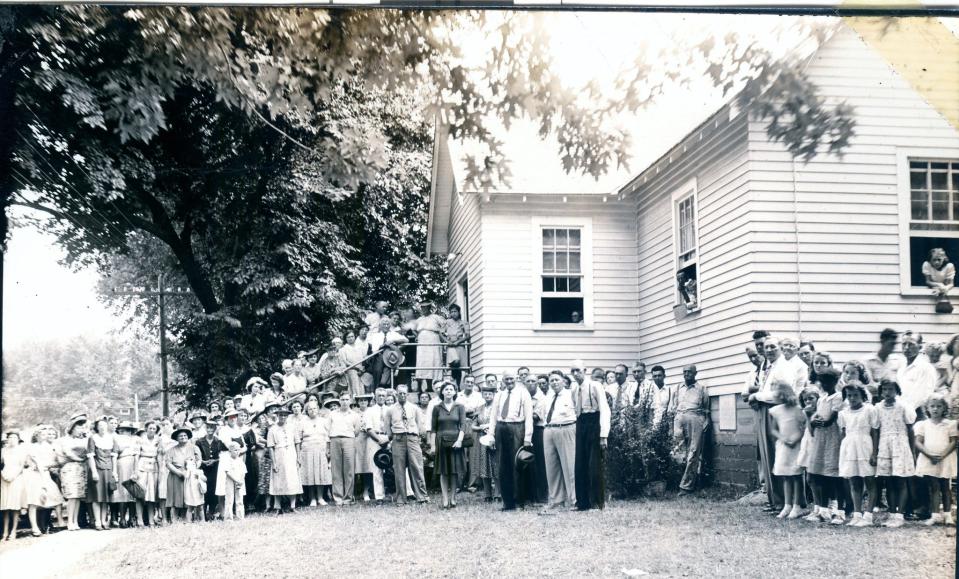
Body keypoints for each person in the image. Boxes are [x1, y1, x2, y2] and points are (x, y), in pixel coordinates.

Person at [803, 368, 844, 524]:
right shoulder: (821, 399)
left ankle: (838, 511)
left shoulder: (838, 398)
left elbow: (829, 420)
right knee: (816, 473)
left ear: (835, 381)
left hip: (833, 439)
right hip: (820, 440)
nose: (825, 385)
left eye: (828, 381)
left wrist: (819, 421)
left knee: (834, 476)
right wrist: (814, 421)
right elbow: (816, 420)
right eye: (822, 382)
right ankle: (822, 510)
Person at [488, 371, 534, 511]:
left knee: (516, 466)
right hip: (501, 428)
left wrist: (527, 437)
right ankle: (507, 502)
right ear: (502, 380)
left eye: (511, 379)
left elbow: (529, 416)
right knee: (503, 467)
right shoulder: (499, 395)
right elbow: (493, 416)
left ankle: (519, 501)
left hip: (517, 428)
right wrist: (491, 435)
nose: (509, 381)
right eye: (506, 379)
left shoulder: (523, 393)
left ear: (516, 379)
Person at [837, 381, 880, 527]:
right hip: (850, 448)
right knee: (854, 481)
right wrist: (844, 453)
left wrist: (874, 453)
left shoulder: (869, 410)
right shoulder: (843, 413)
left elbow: (874, 431)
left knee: (869, 480)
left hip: (865, 447)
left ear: (863, 395)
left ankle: (868, 516)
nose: (852, 398)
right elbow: (843, 433)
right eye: (849, 396)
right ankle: (857, 514)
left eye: (856, 395)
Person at [875, 380, 917, 528]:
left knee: (901, 480)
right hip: (884, 445)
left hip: (900, 444)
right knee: (889, 481)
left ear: (897, 390)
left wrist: (912, 451)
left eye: (891, 389)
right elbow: (876, 430)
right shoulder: (878, 408)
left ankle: (900, 515)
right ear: (881, 391)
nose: (887, 392)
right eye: (884, 389)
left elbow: (910, 430)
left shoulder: (903, 406)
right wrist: (875, 452)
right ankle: (892, 513)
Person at [570, 360, 610, 510]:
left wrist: (603, 435)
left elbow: (605, 410)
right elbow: (575, 410)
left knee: (594, 465)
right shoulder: (574, 389)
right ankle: (583, 503)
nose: (575, 374)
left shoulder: (595, 386)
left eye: (578, 370)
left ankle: (597, 503)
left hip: (594, 422)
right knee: (580, 463)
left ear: (585, 370)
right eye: (572, 371)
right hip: (581, 423)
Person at [914, 394, 957, 526]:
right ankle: (935, 514)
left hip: (945, 458)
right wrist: (930, 455)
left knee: (945, 486)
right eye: (932, 406)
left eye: (939, 406)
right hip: (929, 458)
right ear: (927, 408)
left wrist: (943, 455)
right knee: (933, 486)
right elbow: (918, 442)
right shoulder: (923, 424)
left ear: (945, 408)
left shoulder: (950, 424)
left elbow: (953, 442)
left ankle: (948, 515)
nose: (935, 409)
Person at [383, 384, 429, 504]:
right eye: (400, 393)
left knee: (417, 467)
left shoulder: (414, 408)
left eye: (404, 393)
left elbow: (420, 425)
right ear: (396, 394)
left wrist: (417, 437)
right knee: (399, 469)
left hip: (412, 438)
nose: (402, 395)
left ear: (407, 394)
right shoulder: (390, 410)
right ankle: (401, 498)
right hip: (398, 439)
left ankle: (422, 496)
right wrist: (392, 438)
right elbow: (387, 427)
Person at [768, 380, 806, 519]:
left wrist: (795, 439)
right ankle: (787, 505)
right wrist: (783, 439)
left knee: (796, 475)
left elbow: (803, 426)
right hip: (783, 446)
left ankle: (797, 506)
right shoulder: (776, 410)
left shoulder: (798, 409)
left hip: (796, 445)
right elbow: (773, 429)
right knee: (786, 476)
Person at [541, 370, 577, 512]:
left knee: (570, 467)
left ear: (563, 381)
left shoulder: (571, 394)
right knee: (552, 468)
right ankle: (556, 500)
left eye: (557, 380)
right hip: (549, 430)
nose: (554, 383)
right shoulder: (548, 397)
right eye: (552, 380)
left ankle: (574, 500)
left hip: (566, 428)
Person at [672, 365, 710, 495]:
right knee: (678, 450)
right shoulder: (678, 387)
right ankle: (676, 482)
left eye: (689, 372)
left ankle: (686, 487)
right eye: (684, 372)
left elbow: (706, 408)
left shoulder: (701, 388)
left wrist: (705, 421)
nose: (686, 374)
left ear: (695, 373)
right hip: (679, 418)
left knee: (693, 452)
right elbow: (673, 405)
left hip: (695, 417)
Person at [431, 382, 467, 508]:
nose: (448, 391)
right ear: (442, 392)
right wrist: (433, 445)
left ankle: (453, 498)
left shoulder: (460, 407)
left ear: (455, 392)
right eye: (446, 389)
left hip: (455, 441)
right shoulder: (436, 408)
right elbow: (433, 429)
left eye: (451, 389)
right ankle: (445, 499)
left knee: (454, 471)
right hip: (441, 441)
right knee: (444, 471)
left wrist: (459, 440)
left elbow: (463, 425)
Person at [22, 427, 64, 536]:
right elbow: (31, 462)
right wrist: (36, 466)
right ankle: (35, 528)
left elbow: (55, 461)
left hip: (45, 474)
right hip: (34, 475)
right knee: (34, 501)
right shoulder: (31, 447)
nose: (44, 437)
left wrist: (47, 466)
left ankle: (60, 521)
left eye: (46, 435)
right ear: (36, 435)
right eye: (42, 434)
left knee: (56, 497)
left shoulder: (48, 447)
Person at [57, 414, 89, 531]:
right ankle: (70, 521)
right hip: (69, 468)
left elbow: (87, 451)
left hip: (80, 469)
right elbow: (68, 453)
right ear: (72, 428)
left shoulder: (82, 440)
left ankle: (75, 521)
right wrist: (80, 459)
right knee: (71, 496)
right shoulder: (64, 440)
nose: (80, 430)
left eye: (82, 428)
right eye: (78, 428)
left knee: (78, 496)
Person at [268, 408, 303, 513]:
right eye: (281, 415)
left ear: (287, 416)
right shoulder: (272, 429)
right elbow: (270, 447)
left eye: (285, 415)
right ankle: (278, 507)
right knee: (278, 480)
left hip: (291, 454)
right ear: (277, 416)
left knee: (293, 479)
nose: (283, 417)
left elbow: (297, 442)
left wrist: (298, 457)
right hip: (279, 455)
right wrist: (274, 462)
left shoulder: (292, 427)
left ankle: (293, 506)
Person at [86, 418, 118, 530]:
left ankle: (104, 521)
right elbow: (90, 456)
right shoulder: (93, 438)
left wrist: (114, 472)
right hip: (97, 470)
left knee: (105, 498)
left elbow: (114, 457)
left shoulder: (111, 439)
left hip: (108, 470)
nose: (102, 427)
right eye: (100, 425)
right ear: (97, 427)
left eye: (104, 425)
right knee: (96, 497)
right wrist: (94, 472)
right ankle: (97, 522)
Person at [328, 394, 360, 505]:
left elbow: (357, 430)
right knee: (336, 470)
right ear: (339, 401)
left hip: (349, 440)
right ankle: (338, 498)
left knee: (349, 469)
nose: (345, 402)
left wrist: (348, 437)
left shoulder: (355, 415)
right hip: (335, 440)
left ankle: (348, 498)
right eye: (342, 400)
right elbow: (328, 429)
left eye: (347, 399)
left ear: (350, 400)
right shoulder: (332, 414)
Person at [165, 426, 201, 522]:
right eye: (180, 436)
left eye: (185, 435)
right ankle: (175, 519)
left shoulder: (194, 448)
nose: (183, 437)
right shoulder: (171, 450)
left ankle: (187, 519)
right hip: (176, 475)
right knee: (176, 497)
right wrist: (179, 473)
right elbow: (168, 463)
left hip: (190, 476)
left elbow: (199, 460)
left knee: (188, 496)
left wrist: (193, 469)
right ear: (176, 438)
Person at [361, 390, 389, 502]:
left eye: (383, 395)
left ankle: (404, 493)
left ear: (386, 397)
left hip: (388, 438)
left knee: (395, 465)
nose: (381, 397)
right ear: (375, 397)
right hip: (374, 438)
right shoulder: (369, 411)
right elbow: (368, 429)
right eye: (379, 396)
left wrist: (387, 439)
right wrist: (379, 440)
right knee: (377, 467)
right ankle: (379, 496)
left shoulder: (390, 409)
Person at [195, 419, 226, 520]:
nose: (210, 430)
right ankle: (202, 513)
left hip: (215, 469)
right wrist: (203, 461)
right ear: (205, 428)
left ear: (215, 429)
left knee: (213, 490)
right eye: (208, 427)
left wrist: (215, 460)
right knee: (203, 489)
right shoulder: (199, 441)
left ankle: (212, 512)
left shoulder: (218, 441)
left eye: (212, 428)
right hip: (203, 469)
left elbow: (223, 455)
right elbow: (196, 455)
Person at [473, 384, 499, 502]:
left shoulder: (498, 407)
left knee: (496, 465)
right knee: (484, 466)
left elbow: (501, 422)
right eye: (485, 394)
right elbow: (473, 426)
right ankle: (487, 494)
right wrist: (481, 428)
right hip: (482, 439)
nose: (488, 396)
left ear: (494, 395)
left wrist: (490, 427)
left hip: (494, 438)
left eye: (490, 394)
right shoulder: (479, 408)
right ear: (482, 395)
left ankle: (498, 494)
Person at [134, 421, 161, 527]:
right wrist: (135, 470)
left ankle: (151, 520)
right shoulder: (140, 440)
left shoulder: (158, 440)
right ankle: (140, 520)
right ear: (146, 429)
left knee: (152, 495)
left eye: (154, 429)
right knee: (140, 494)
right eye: (150, 428)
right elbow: (136, 456)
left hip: (153, 467)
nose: (152, 430)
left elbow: (160, 455)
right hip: (142, 467)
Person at [368, 318, 409, 388]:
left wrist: (393, 341)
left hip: (391, 356)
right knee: (378, 369)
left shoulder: (393, 334)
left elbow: (406, 340)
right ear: (380, 326)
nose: (386, 326)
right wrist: (384, 345)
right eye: (384, 324)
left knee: (402, 360)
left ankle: (399, 387)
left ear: (390, 326)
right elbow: (375, 350)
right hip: (379, 355)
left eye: (387, 324)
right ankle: (376, 388)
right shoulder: (375, 336)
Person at [415, 301, 445, 393]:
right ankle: (419, 386)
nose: (424, 309)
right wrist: (417, 335)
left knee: (432, 362)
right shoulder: (419, 319)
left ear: (429, 308)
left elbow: (445, 325)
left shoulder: (436, 317)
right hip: (422, 342)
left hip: (433, 340)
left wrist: (441, 333)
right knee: (421, 363)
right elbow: (413, 329)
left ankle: (430, 386)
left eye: (426, 307)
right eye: (422, 307)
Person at [443, 304, 470, 386]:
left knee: (460, 367)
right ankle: (453, 382)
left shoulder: (463, 322)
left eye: (455, 311)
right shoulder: (447, 322)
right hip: (451, 345)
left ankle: (457, 385)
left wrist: (458, 342)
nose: (453, 313)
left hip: (459, 345)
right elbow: (440, 333)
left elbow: (468, 335)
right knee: (455, 362)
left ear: (459, 312)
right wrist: (447, 341)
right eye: (451, 312)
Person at [220, 441, 247, 520]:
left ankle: (240, 517)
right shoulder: (227, 460)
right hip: (230, 481)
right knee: (229, 499)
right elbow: (227, 472)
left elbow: (244, 472)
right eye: (235, 450)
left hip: (240, 481)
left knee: (239, 499)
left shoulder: (240, 460)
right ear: (230, 451)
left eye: (238, 450)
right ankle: (228, 518)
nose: (237, 452)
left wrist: (240, 481)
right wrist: (236, 480)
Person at [341, 331, 366, 398]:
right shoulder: (343, 349)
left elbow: (364, 358)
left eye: (352, 336)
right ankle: (355, 401)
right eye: (348, 337)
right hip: (351, 370)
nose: (350, 338)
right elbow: (345, 361)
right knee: (354, 386)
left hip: (361, 370)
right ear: (345, 339)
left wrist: (362, 368)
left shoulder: (360, 347)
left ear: (355, 337)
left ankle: (362, 400)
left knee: (362, 385)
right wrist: (357, 368)